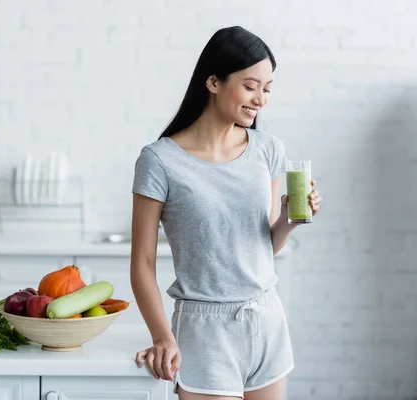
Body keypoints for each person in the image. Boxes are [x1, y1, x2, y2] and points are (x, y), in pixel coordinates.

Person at [130, 26, 322, 400]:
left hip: (267, 320)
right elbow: (142, 263)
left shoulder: (268, 149)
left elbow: (262, 245)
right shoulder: (159, 161)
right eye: (251, 86)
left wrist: (290, 221)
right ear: (214, 82)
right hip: (205, 333)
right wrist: (162, 337)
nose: (261, 99)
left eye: (267, 88)